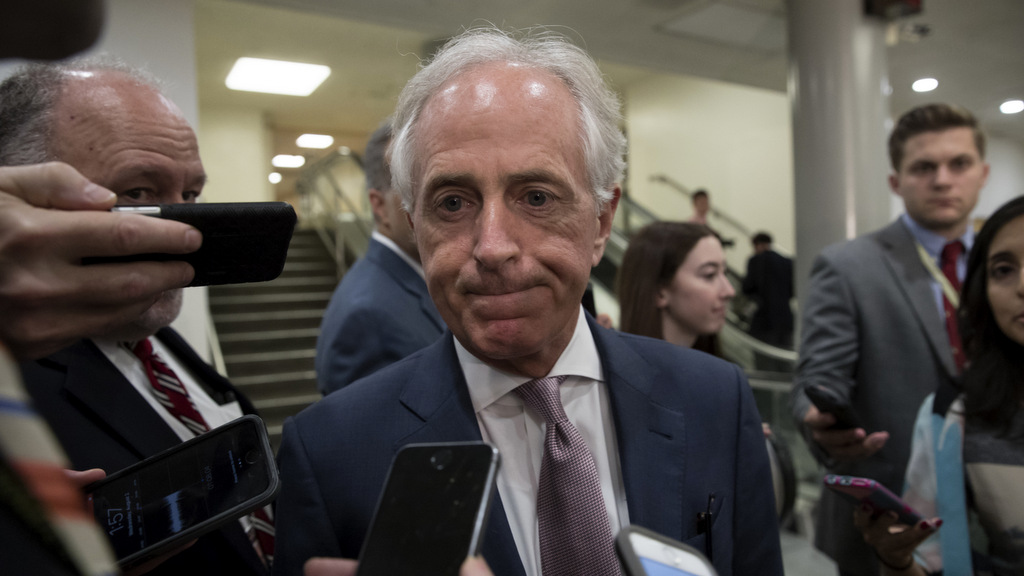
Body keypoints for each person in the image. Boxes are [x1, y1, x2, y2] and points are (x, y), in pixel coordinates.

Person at [274, 26, 782, 576]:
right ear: (414, 226)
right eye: (452, 203)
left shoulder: (714, 401)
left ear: (601, 222)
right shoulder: (331, 457)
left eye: (536, 197)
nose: (492, 247)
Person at [7, 59, 270, 576]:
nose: (183, 229)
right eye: (139, 194)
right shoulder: (12, 392)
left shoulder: (158, 341)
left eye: (190, 196)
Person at [791, 103, 990, 576]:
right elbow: (816, 378)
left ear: (983, 174)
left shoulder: (1006, 265)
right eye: (924, 167)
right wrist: (820, 421)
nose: (943, 180)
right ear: (896, 182)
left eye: (958, 164)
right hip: (890, 519)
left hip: (997, 513)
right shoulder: (848, 267)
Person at [855, 195, 1024, 575]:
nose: (1023, 286)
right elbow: (930, 560)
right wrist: (896, 557)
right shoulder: (952, 416)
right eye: (1003, 270)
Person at [315, 121, 445, 396]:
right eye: (414, 191)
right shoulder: (365, 315)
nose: (438, 206)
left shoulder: (423, 277)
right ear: (379, 206)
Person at [616, 221, 735, 355]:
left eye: (725, 273)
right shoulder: (613, 370)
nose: (729, 291)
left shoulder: (720, 372)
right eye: (709, 275)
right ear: (660, 292)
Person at [742, 231, 794, 350]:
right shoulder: (787, 262)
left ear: (757, 245)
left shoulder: (755, 261)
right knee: (784, 360)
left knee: (764, 360)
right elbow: (792, 291)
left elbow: (748, 287)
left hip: (763, 321)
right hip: (785, 319)